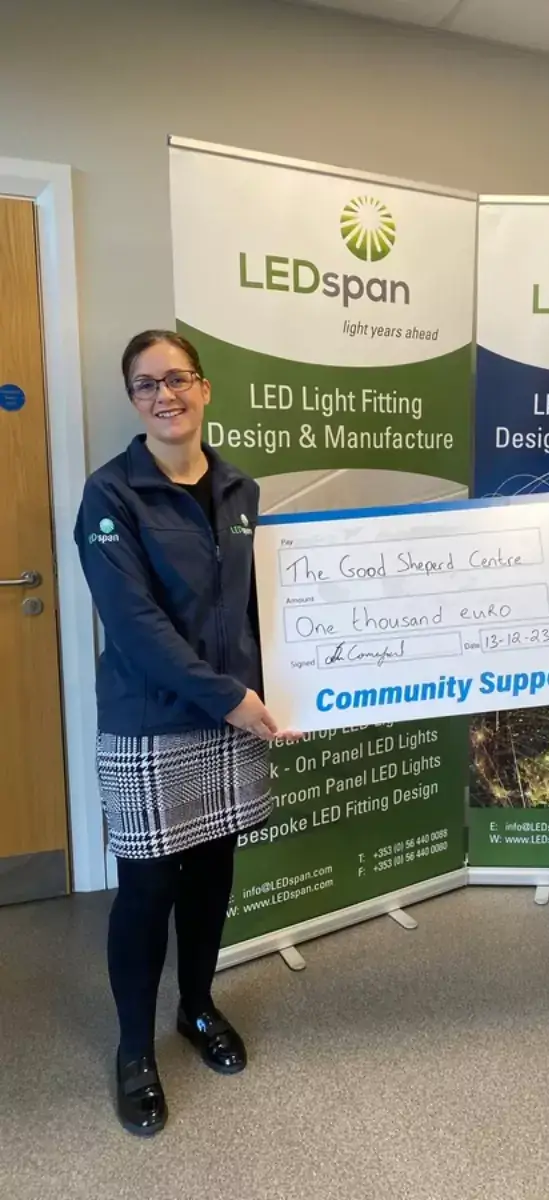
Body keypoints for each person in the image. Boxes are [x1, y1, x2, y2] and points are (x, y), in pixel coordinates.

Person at [75, 330, 288, 1137]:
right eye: (146, 384)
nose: (164, 395)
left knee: (212, 874)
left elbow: (258, 605)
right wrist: (231, 698)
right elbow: (135, 627)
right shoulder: (110, 495)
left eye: (177, 379)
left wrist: (292, 685)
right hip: (152, 722)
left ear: (204, 388)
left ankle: (196, 1007)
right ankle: (134, 1050)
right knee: (147, 890)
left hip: (232, 715)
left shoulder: (241, 490)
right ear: (133, 400)